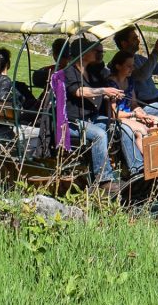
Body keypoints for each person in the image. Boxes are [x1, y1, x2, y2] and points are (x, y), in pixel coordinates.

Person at [54, 38, 143, 194]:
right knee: (100, 135)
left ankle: (134, 170)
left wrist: (110, 95)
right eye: (96, 51)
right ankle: (104, 181)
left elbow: (101, 88)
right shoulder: (68, 71)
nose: (99, 54)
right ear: (83, 53)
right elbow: (79, 91)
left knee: (119, 125)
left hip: (90, 119)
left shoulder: (91, 71)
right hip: (72, 122)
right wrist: (104, 91)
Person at [107, 50, 158, 154]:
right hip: (116, 119)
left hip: (129, 115)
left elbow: (133, 103)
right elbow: (114, 114)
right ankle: (144, 163)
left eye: (133, 65)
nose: (132, 68)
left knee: (157, 122)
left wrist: (143, 114)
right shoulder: (111, 85)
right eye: (129, 66)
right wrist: (134, 115)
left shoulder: (129, 81)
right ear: (118, 66)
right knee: (141, 130)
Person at [0, 47, 40, 113]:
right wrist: (19, 98)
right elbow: (2, 97)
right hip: (4, 116)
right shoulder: (4, 79)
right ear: (7, 64)